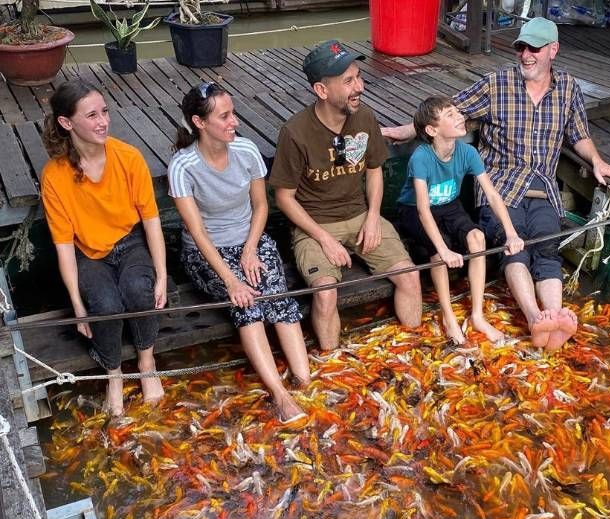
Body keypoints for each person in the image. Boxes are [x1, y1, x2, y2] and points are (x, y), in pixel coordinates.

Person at [383, 18, 610, 350]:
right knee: (512, 245)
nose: (526, 55)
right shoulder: (495, 84)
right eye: (521, 48)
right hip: (501, 185)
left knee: (546, 248)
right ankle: (534, 318)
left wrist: (598, 161)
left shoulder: (569, 89)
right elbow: (445, 115)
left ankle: (555, 316)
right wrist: (398, 132)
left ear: (553, 50)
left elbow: (579, 135)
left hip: (543, 187)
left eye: (534, 48)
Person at [168, 82, 310, 423]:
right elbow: (198, 232)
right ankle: (280, 395)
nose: (234, 121)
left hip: (251, 238)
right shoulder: (183, 166)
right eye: (225, 116)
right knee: (248, 302)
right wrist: (231, 280)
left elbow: (261, 206)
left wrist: (250, 249)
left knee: (277, 294)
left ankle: (304, 381)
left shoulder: (246, 151)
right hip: (208, 252)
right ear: (199, 123)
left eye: (233, 113)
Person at [270, 39, 421, 350]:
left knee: (410, 276)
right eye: (348, 81)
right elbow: (285, 198)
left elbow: (375, 170)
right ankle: (333, 362)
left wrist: (374, 217)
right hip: (315, 225)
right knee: (325, 294)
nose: (359, 87)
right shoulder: (295, 132)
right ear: (321, 91)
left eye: (358, 77)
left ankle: (411, 352)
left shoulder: (364, 117)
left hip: (360, 214)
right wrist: (323, 239)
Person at [41, 80, 167, 416]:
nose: (103, 121)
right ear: (67, 123)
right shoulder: (55, 175)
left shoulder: (128, 157)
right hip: (87, 253)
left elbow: (152, 220)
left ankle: (146, 360)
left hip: (130, 242)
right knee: (106, 304)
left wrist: (163, 276)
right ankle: (113, 373)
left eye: (105, 112)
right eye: (92, 115)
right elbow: (64, 245)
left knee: (139, 291)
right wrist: (78, 305)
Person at [396, 96, 524, 344]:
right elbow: (423, 209)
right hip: (413, 209)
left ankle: (477, 314)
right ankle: (448, 315)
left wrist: (511, 233)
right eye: (450, 115)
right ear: (432, 130)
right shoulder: (421, 157)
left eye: (458, 112)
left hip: (450, 205)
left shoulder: (467, 151)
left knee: (477, 238)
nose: (460, 117)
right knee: (436, 248)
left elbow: (493, 195)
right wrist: (444, 250)